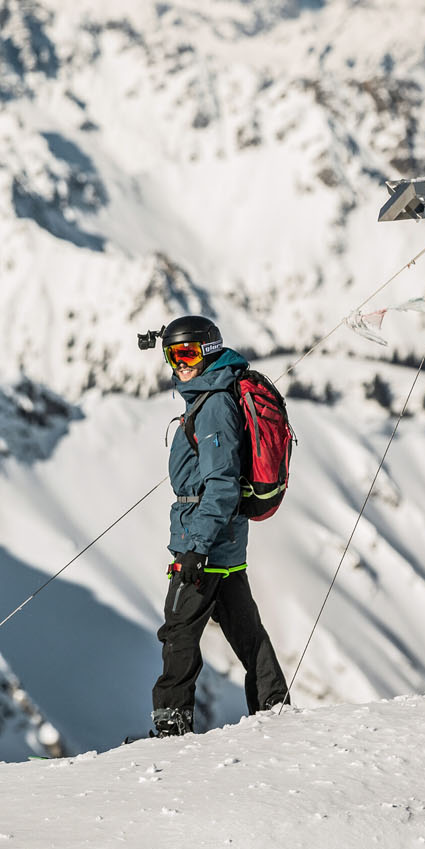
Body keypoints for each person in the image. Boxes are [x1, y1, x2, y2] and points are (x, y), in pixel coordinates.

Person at [151, 314, 289, 737]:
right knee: (245, 629)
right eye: (173, 355)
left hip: (207, 541)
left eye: (189, 352)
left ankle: (171, 724)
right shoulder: (211, 396)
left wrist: (196, 546)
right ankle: (274, 706)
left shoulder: (212, 405)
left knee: (178, 631)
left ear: (209, 351)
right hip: (224, 542)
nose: (180, 364)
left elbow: (222, 485)